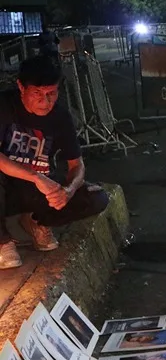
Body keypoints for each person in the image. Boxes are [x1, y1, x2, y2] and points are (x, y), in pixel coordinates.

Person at [0, 55, 109, 268]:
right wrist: (36, 176)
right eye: (37, 94)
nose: (45, 101)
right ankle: (2, 241)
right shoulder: (4, 106)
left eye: (51, 93)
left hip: (34, 189)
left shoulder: (60, 116)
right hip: (5, 186)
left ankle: (36, 221)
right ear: (21, 87)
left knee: (96, 198)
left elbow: (77, 165)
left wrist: (68, 190)